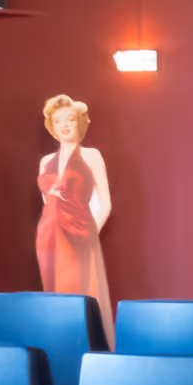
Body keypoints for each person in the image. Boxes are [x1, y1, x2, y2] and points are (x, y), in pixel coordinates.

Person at [36, 94, 116, 345]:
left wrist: (90, 233)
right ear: (52, 125)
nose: (65, 124)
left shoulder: (91, 155)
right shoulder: (45, 161)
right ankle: (61, 350)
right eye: (58, 120)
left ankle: (88, 350)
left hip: (80, 235)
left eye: (70, 119)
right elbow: (47, 200)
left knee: (81, 293)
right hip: (48, 236)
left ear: (80, 122)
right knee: (55, 294)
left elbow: (106, 203)